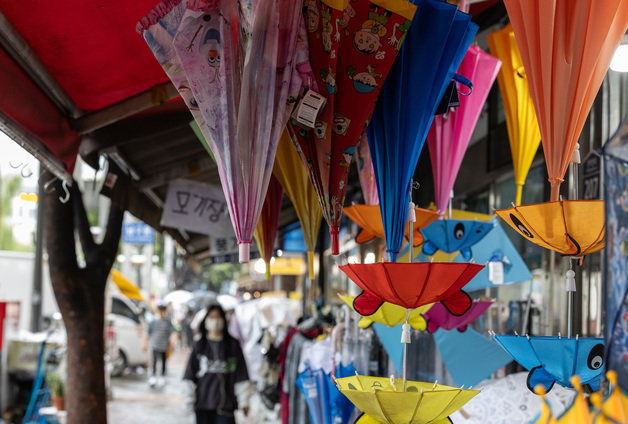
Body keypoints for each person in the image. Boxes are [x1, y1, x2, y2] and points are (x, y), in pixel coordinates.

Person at [183, 303, 251, 424]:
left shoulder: (233, 345)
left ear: (224, 320)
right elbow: (189, 374)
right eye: (211, 317)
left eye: (218, 317)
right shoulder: (200, 345)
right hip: (203, 405)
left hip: (226, 406)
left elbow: (241, 374)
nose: (215, 321)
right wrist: (188, 400)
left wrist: (244, 400)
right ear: (206, 321)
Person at [145, 303, 176, 388]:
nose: (162, 313)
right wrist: (145, 344)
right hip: (155, 345)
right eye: (160, 311)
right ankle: (153, 377)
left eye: (163, 311)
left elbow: (173, 332)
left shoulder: (168, 322)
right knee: (154, 362)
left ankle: (162, 376)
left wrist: (173, 341)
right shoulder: (153, 322)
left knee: (163, 362)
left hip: (165, 346)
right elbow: (149, 333)